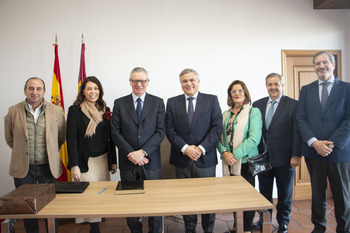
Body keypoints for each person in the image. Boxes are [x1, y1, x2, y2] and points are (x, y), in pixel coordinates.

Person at [296, 51, 350, 233]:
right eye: (317, 64)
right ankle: (319, 227)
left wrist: (331, 143)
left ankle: (344, 228)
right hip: (313, 151)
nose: (321, 66)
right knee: (318, 193)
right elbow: (301, 118)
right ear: (314, 67)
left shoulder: (347, 89)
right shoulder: (306, 89)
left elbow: (349, 119)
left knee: (342, 195)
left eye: (325, 62)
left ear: (333, 64)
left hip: (339, 152)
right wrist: (315, 143)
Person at [4, 77, 65, 233]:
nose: (34, 92)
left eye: (38, 89)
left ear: (44, 91)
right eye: (31, 88)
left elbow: (61, 137)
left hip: (48, 167)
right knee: (27, 207)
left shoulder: (56, 111)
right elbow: (10, 138)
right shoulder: (13, 111)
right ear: (25, 91)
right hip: (24, 168)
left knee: (51, 207)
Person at [166, 68, 222, 233]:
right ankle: (189, 229)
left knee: (207, 199)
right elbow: (169, 129)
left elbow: (217, 127)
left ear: (198, 81)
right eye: (184, 81)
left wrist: (201, 148)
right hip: (181, 158)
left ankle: (208, 229)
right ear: (181, 84)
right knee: (186, 198)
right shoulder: (172, 102)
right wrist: (185, 148)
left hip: (205, 159)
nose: (188, 83)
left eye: (191, 80)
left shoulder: (211, 100)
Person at [111, 67, 165, 233]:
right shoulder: (119, 103)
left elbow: (161, 131)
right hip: (128, 161)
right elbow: (115, 132)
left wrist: (142, 152)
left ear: (148, 82)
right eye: (135, 80)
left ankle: (155, 230)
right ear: (130, 82)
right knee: (130, 200)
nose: (139, 84)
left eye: (142, 80)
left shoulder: (158, 102)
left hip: (151, 160)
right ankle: (135, 230)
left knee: (155, 200)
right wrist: (132, 154)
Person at [66, 76, 117, 233]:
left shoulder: (105, 110)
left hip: (102, 159)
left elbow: (111, 138)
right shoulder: (75, 110)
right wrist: (74, 164)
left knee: (102, 196)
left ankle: (96, 226)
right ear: (83, 91)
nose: (92, 91)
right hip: (85, 161)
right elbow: (71, 138)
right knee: (89, 197)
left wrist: (113, 161)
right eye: (89, 88)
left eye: (96, 88)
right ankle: (94, 229)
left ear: (100, 91)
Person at [252, 73, 301, 233]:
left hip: (286, 159)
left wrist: (296, 154)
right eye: (269, 84)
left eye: (276, 84)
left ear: (282, 85)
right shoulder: (258, 104)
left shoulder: (294, 105)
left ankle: (283, 223)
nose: (273, 87)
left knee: (284, 194)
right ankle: (264, 220)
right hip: (263, 158)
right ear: (266, 86)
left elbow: (297, 131)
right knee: (264, 193)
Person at [217, 80, 262, 233]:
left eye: (240, 90)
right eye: (233, 91)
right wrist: (224, 152)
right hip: (228, 161)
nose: (237, 94)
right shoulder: (225, 114)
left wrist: (234, 155)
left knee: (246, 197)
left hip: (244, 161)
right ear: (230, 94)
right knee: (234, 196)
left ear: (245, 93)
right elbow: (219, 137)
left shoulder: (253, 112)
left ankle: (247, 227)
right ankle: (237, 225)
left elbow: (254, 138)